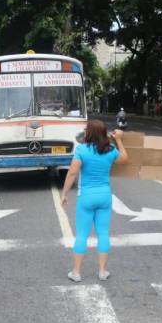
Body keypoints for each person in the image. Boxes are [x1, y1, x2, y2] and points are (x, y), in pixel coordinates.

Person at [61, 120, 128, 282]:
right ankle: (102, 272)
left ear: (89, 133)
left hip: (87, 197)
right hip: (105, 196)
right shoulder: (110, 150)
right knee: (103, 234)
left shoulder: (82, 150)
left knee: (82, 235)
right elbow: (125, 159)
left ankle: (76, 273)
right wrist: (118, 139)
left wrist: (64, 193)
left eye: (86, 130)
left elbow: (72, 173)